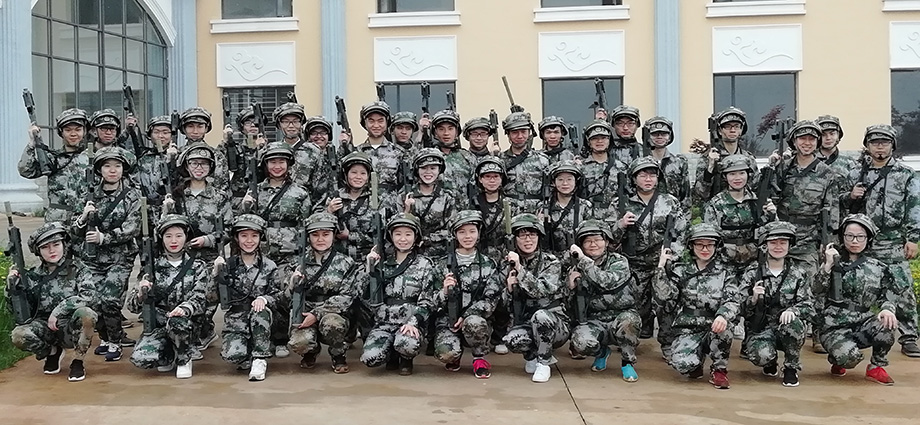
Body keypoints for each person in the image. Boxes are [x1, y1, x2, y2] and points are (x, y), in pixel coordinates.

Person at [839, 124, 920, 357]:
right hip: (862, 242)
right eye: (874, 142)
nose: (880, 147)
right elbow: (840, 203)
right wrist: (850, 196)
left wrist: (913, 238)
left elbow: (914, 207)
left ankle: (909, 337)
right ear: (867, 145)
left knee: (902, 287)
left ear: (892, 145)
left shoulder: (905, 174)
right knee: (855, 287)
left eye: (884, 142)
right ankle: (850, 334)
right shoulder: (855, 174)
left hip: (892, 240)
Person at [242, 141, 313, 358]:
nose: (277, 166)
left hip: (290, 251)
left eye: (282, 161)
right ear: (265, 165)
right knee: (261, 292)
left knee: (284, 293)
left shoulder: (299, 192)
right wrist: (245, 206)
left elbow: (306, 224)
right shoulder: (255, 191)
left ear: (289, 164)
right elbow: (246, 224)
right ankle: (261, 337)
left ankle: (281, 337)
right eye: (273, 162)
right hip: (263, 250)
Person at [70, 146, 141, 361]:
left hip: (120, 256)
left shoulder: (132, 195)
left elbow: (132, 227)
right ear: (99, 170)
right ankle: (106, 338)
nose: (112, 170)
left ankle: (116, 341)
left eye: (117, 166)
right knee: (93, 300)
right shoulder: (88, 195)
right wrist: (83, 218)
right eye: (107, 166)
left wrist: (104, 238)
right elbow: (74, 229)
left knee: (110, 300)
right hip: (92, 258)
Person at [164, 143, 232, 356]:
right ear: (187, 166)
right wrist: (166, 210)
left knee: (209, 295)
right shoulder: (177, 195)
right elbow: (164, 228)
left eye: (204, 164)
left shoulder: (219, 196)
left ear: (210, 167)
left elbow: (230, 228)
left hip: (210, 256)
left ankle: (203, 329)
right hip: (183, 257)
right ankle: (190, 331)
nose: (199, 168)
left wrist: (208, 239)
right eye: (194, 163)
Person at [612, 157, 687, 350]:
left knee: (666, 302)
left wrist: (671, 257)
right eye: (643, 175)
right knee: (632, 306)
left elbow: (681, 233)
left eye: (652, 175)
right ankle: (628, 342)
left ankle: (668, 344)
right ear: (634, 178)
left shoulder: (669, 202)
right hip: (633, 265)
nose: (648, 179)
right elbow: (608, 238)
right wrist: (620, 225)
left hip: (660, 264)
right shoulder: (621, 203)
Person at [7, 222, 97, 382]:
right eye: (45, 247)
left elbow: (89, 296)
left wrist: (59, 311)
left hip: (71, 327)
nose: (52, 250)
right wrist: (12, 288)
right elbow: (17, 312)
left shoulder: (78, 269)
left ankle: (78, 361)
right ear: (38, 251)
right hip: (46, 329)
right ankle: (52, 352)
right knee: (18, 335)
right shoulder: (32, 276)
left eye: (56, 244)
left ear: (64, 245)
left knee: (88, 314)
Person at [654, 223, 740, 389]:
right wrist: (661, 267)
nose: (705, 249)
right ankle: (696, 361)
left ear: (716, 246)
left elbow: (733, 301)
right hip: (688, 326)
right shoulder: (681, 270)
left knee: (725, 328)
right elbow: (664, 296)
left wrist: (723, 315)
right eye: (699, 244)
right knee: (682, 364)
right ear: (691, 246)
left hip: (714, 325)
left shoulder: (725, 272)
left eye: (710, 245)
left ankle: (719, 369)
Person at [816, 214, 900, 385]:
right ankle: (839, 357)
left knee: (887, 324)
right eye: (850, 236)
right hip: (834, 326)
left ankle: (876, 366)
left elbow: (888, 294)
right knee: (850, 358)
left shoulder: (877, 267)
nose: (855, 241)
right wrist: (827, 266)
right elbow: (816, 290)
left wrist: (887, 309)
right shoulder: (833, 261)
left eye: (860, 236)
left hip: (863, 322)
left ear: (868, 238)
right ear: (843, 236)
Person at [127, 215, 209, 379]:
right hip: (160, 324)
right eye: (168, 236)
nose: (174, 241)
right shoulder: (152, 268)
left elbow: (200, 299)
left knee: (177, 322)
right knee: (141, 359)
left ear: (186, 237)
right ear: (161, 238)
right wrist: (141, 293)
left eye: (179, 236)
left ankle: (184, 358)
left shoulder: (197, 266)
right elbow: (132, 307)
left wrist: (185, 309)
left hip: (186, 324)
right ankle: (169, 354)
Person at [360, 213, 437, 375]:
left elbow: (428, 301)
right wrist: (369, 269)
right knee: (370, 358)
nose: (403, 239)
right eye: (398, 234)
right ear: (391, 237)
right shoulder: (380, 262)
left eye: (408, 234)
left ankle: (405, 358)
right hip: (385, 321)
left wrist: (414, 322)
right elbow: (363, 294)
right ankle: (391, 354)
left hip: (410, 321)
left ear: (416, 237)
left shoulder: (424, 264)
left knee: (406, 345)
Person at [739, 221, 813, 387]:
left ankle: (791, 367)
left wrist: (793, 311)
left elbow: (808, 305)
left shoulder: (798, 273)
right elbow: (739, 307)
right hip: (761, 329)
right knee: (761, 357)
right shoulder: (752, 272)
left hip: (786, 329)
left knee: (793, 324)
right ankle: (770, 361)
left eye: (783, 243)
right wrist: (753, 299)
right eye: (773, 242)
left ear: (789, 245)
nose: (778, 247)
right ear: (765, 245)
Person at [289, 213, 363, 374]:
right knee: (299, 342)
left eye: (326, 234)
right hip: (305, 311)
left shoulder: (345, 263)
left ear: (333, 235)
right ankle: (310, 352)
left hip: (333, 313)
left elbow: (347, 297)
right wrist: (292, 285)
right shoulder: (298, 263)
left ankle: (338, 355)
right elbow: (284, 298)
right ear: (308, 237)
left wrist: (316, 314)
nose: (320, 239)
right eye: (315, 235)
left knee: (333, 324)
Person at [567, 220, 641, 382]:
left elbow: (606, 281)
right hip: (593, 320)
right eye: (587, 241)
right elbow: (564, 302)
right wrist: (570, 287)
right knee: (581, 343)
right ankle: (601, 352)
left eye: (597, 240)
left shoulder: (619, 261)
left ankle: (627, 362)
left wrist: (583, 261)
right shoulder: (573, 264)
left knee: (629, 323)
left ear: (606, 242)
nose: (593, 244)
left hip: (620, 316)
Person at [433, 211, 503, 378]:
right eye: (462, 232)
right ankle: (455, 355)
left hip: (475, 321)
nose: (467, 236)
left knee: (474, 322)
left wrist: (466, 316)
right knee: (446, 353)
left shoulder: (488, 264)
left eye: (472, 231)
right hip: (448, 321)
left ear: (478, 233)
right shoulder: (442, 265)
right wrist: (443, 291)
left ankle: (479, 358)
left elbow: (491, 300)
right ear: (455, 235)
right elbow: (430, 301)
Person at [215, 214, 283, 381]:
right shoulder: (227, 265)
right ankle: (248, 352)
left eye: (254, 236)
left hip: (262, 318)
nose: (249, 241)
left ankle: (260, 357)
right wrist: (216, 275)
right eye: (244, 235)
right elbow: (211, 298)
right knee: (233, 355)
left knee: (260, 311)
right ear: (236, 238)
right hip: (236, 320)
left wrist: (264, 299)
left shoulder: (269, 266)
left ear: (260, 238)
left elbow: (278, 295)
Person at [501, 213, 568, 383]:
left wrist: (519, 270)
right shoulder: (506, 264)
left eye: (532, 234)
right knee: (512, 340)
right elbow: (501, 304)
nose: (528, 240)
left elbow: (541, 290)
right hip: (526, 322)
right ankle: (531, 356)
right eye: (522, 235)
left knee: (540, 316)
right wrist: (509, 289)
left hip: (554, 323)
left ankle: (544, 363)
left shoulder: (551, 262)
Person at [18, 108, 91, 223]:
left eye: (78, 130)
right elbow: (26, 170)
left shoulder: (92, 159)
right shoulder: (53, 158)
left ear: (85, 131)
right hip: (57, 221)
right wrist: (32, 144)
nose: (73, 134)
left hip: (84, 218)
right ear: (61, 132)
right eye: (68, 130)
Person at [694, 107, 760, 204]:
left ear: (741, 130)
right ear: (720, 130)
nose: (732, 130)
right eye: (727, 126)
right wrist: (710, 169)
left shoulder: (748, 158)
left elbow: (756, 188)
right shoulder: (708, 157)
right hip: (716, 209)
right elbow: (700, 193)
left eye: (736, 126)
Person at [321, 152, 379, 262]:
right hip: (337, 261)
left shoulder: (376, 200)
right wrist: (328, 212)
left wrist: (349, 236)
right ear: (346, 174)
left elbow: (380, 236)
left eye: (363, 173)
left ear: (368, 176)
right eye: (353, 172)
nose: (358, 177)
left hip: (367, 260)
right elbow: (320, 231)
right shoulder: (335, 197)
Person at [402, 148, 459, 259]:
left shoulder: (447, 197)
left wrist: (428, 239)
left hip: (441, 255)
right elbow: (398, 230)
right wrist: (407, 211)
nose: (428, 172)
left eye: (433, 168)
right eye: (423, 168)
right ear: (417, 170)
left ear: (439, 170)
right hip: (411, 256)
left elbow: (452, 228)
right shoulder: (405, 196)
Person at [542, 160, 595, 259]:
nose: (565, 183)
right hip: (551, 258)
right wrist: (541, 224)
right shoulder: (544, 207)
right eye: (560, 179)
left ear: (576, 182)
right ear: (554, 182)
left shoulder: (585, 206)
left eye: (569, 179)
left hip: (578, 256)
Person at [500, 112, 550, 214]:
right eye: (515, 132)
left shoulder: (542, 160)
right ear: (508, 134)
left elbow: (550, 189)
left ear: (529, 133)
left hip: (535, 212)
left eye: (523, 132)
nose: (520, 136)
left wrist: (544, 211)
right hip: (508, 211)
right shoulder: (500, 160)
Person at [643, 116, 690, 208]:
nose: (660, 137)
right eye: (655, 134)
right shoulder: (640, 162)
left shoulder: (679, 163)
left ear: (669, 136)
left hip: (673, 212)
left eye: (664, 134)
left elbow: (685, 197)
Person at [579, 120, 620, 212]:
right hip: (587, 215)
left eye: (604, 138)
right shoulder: (580, 167)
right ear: (588, 141)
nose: (600, 141)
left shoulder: (621, 168)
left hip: (614, 215)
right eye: (594, 138)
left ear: (609, 140)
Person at [815, 115, 859, 179]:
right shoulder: (808, 160)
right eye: (823, 135)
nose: (828, 138)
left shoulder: (850, 162)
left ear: (838, 135)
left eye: (832, 134)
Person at [607, 105, 644, 173]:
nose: (625, 128)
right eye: (620, 123)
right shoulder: (605, 150)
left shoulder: (645, 151)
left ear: (637, 125)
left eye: (630, 123)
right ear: (614, 125)